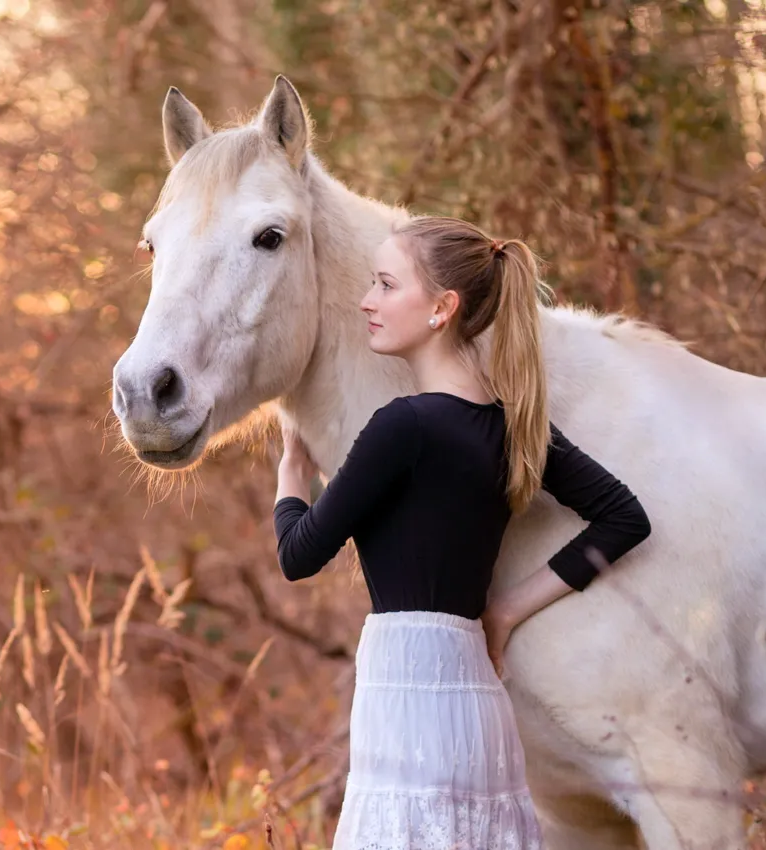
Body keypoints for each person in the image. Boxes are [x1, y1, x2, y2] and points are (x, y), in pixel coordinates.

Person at [272, 216, 652, 849]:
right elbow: (624, 518)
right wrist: (504, 612)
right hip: (476, 700)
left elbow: (298, 553)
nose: (368, 300)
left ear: (441, 308)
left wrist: (291, 471)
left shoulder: (402, 427)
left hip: (407, 694)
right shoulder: (514, 426)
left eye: (387, 285)